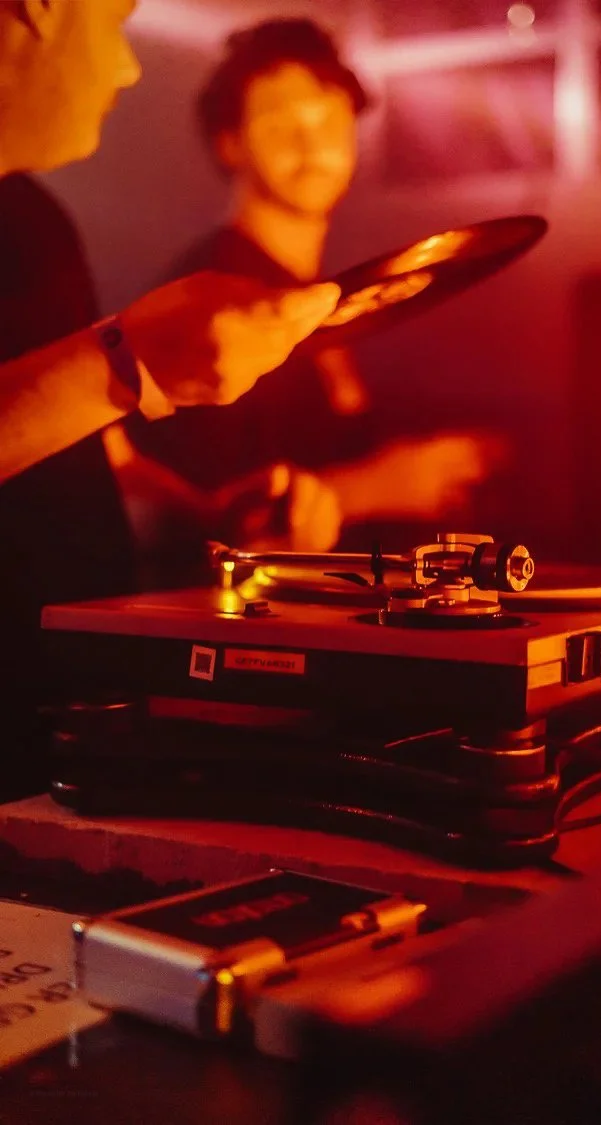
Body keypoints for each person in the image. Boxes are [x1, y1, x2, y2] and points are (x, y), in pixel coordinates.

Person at [0, 0, 338, 791]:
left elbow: (96, 461)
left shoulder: (39, 222)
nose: (131, 65)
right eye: (115, 20)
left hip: (65, 738)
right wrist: (127, 361)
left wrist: (213, 515)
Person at [119, 18, 502, 582]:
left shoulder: (328, 290)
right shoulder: (213, 290)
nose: (313, 142)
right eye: (280, 124)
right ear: (230, 144)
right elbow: (189, 519)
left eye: (330, 117)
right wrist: (375, 488)